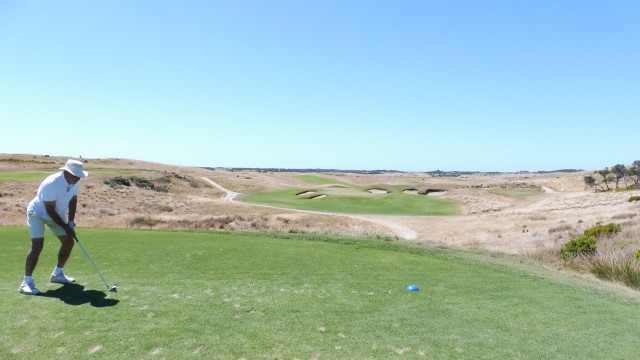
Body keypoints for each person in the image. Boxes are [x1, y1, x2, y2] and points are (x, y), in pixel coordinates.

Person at [19, 159, 88, 295]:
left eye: (80, 176)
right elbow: (49, 210)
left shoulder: (74, 182)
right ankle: (26, 282)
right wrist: (66, 228)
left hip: (57, 213)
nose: (78, 178)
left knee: (68, 242)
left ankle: (57, 274)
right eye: (76, 175)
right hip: (37, 214)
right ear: (67, 172)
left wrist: (71, 222)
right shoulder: (51, 183)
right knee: (37, 245)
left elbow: (73, 201)